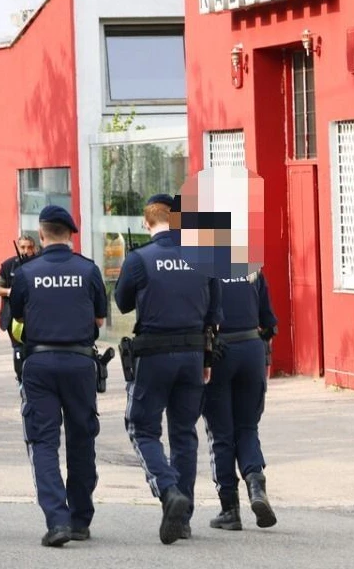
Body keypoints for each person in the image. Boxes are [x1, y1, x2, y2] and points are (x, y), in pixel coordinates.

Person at [113, 193, 223, 545]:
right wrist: (206, 360)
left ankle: (168, 489)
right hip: (193, 354)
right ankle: (185, 518)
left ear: (147, 223)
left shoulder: (139, 258)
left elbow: (123, 302)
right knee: (184, 433)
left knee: (142, 428)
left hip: (153, 354)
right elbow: (213, 316)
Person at [9, 206, 107, 547]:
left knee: (43, 441)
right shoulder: (89, 270)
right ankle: (80, 519)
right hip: (80, 363)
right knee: (82, 439)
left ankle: (57, 520)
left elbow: (17, 319)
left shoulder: (26, 272)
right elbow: (98, 322)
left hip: (39, 364)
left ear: (41, 233)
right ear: (70, 234)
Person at [204, 269, 279, 531]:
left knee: (221, 433)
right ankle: (256, 484)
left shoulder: (202, 268)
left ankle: (230, 509)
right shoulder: (252, 267)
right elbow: (268, 321)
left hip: (220, 352)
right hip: (251, 349)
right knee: (247, 427)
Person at [0, 235, 38, 386]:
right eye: (23, 247)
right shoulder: (8, 265)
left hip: (35, 315)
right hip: (13, 317)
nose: (26, 250)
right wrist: (10, 292)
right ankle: (21, 378)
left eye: (30, 247)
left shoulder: (40, 264)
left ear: (35, 248)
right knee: (18, 349)